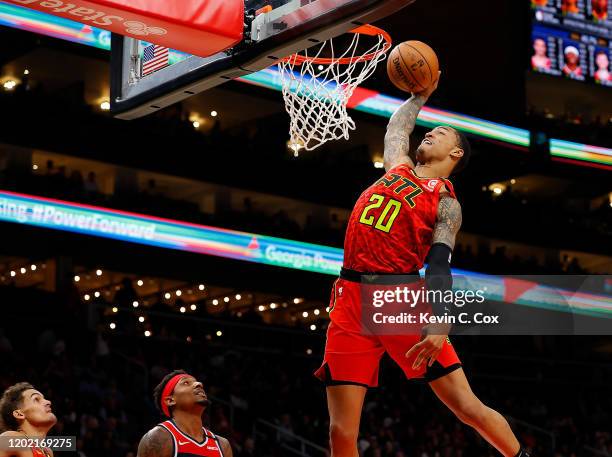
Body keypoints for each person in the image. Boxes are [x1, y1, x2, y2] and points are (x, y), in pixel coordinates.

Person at [314, 74, 531, 457]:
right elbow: (398, 126)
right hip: (349, 300)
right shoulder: (396, 168)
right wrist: (419, 97)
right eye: (430, 130)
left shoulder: (447, 203)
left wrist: (439, 320)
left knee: (467, 408)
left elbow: (439, 263)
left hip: (400, 302)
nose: (430, 133)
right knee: (340, 431)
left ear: (456, 154)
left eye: (441, 133)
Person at [136, 370, 232, 457]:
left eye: (197, 382)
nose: (199, 384)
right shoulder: (158, 438)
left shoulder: (223, 445)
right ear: (170, 400)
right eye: (186, 383)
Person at [0, 383, 57, 457]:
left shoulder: (48, 452)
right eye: (36, 399)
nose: (48, 402)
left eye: (44, 398)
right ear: (19, 414)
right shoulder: (12, 438)